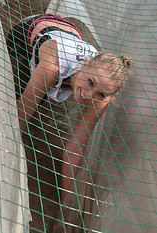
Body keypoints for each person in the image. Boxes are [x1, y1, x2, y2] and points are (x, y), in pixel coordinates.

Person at [7, 14, 133, 201]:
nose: (89, 96)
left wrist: (68, 203)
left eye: (101, 93)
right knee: (18, 93)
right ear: (86, 63)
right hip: (31, 30)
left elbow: (74, 147)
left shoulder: (101, 97)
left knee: (37, 97)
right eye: (91, 82)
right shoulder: (52, 67)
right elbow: (16, 120)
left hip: (69, 35)